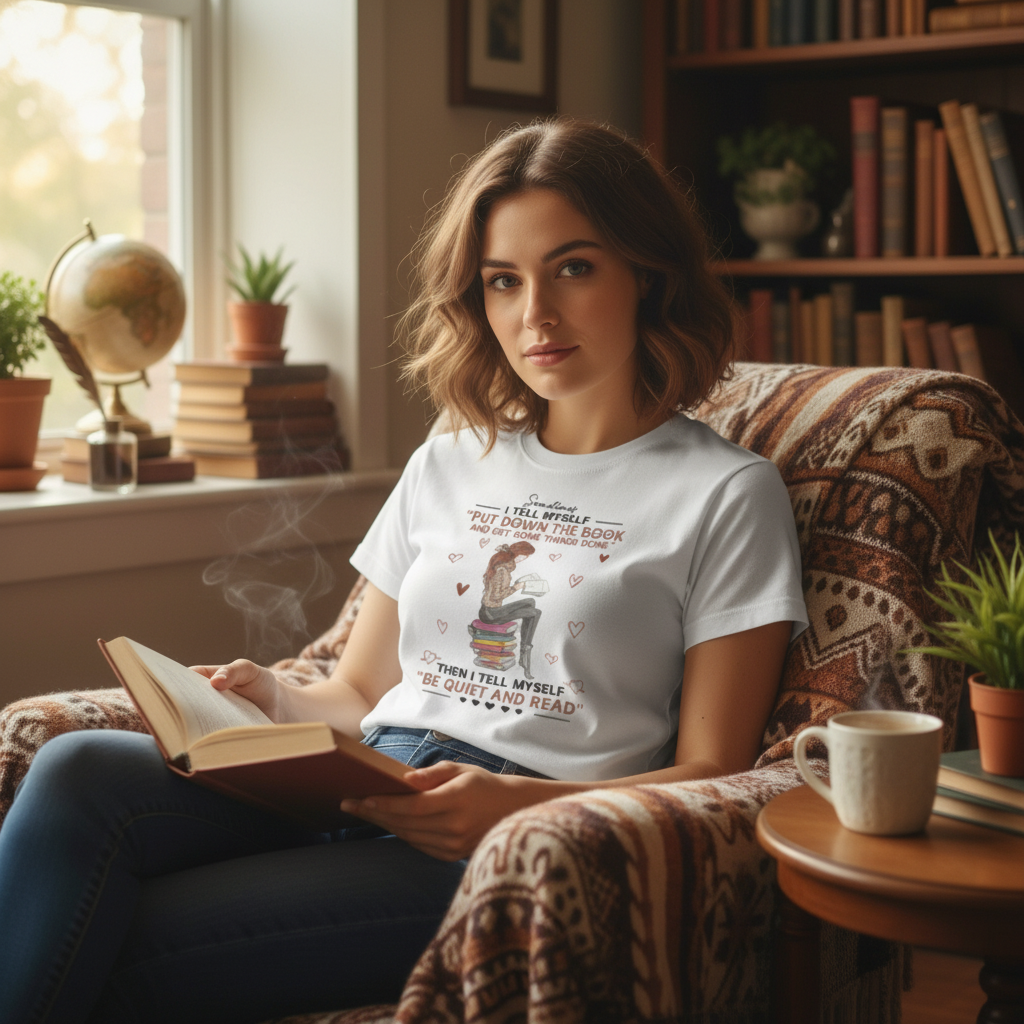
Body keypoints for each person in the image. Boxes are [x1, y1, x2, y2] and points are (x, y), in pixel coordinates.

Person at [0, 118, 807, 1024]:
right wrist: (271, 697)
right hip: (365, 779)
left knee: (114, 934)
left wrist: (515, 805)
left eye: (574, 268)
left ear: (646, 275)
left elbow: (713, 770)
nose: (535, 315)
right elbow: (358, 690)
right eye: (503, 280)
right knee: (74, 768)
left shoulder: (726, 492)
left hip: (512, 847)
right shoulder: (451, 456)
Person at [478, 540, 542, 677]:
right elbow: (496, 596)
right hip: (491, 613)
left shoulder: (503, 567)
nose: (524, 559)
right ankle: (525, 654)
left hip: (491, 610)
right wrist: (516, 587)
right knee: (535, 613)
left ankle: (524, 650)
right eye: (525, 556)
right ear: (519, 554)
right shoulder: (502, 570)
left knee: (530, 602)